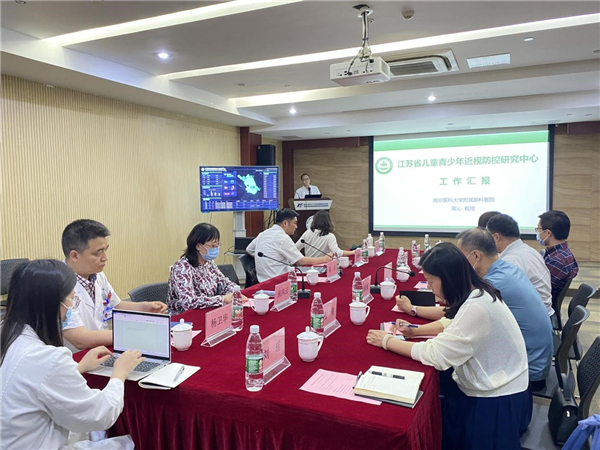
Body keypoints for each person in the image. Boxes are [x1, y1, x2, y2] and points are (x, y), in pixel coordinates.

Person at [367, 243, 531, 450]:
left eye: (431, 281)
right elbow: (452, 322)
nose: (429, 287)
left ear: (449, 279)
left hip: (497, 401)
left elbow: (435, 355)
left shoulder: (477, 307)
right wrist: (416, 331)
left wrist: (387, 341)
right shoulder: (477, 292)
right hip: (503, 385)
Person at [0, 259, 144, 450]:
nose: (72, 308)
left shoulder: (8, 333)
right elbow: (99, 415)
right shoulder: (47, 358)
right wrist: (120, 373)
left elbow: (32, 383)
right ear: (52, 305)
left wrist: (79, 367)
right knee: (133, 442)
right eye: (72, 301)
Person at [396, 228, 553, 386]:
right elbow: (457, 317)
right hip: (520, 362)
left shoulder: (491, 286)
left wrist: (389, 338)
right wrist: (416, 330)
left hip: (525, 368)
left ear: (476, 256)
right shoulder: (501, 270)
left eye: (461, 257)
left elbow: (438, 351)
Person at [61, 219, 167, 352]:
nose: (105, 258)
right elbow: (80, 339)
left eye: (106, 250)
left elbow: (116, 305)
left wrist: (144, 307)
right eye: (98, 252)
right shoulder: (57, 284)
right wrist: (132, 334)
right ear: (75, 256)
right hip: (77, 358)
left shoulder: (97, 274)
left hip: (104, 349)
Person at [168, 223, 248, 314]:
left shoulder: (209, 263)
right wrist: (222, 299)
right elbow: (188, 302)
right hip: (183, 317)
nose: (216, 249)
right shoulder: (182, 267)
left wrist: (234, 291)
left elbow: (224, 283)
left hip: (208, 312)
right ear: (198, 246)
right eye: (213, 246)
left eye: (218, 245)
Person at [487, 213, 554, 316]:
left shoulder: (511, 261)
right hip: (542, 311)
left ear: (496, 237)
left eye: (487, 237)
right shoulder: (528, 250)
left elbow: (494, 295)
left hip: (534, 316)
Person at [247, 209, 332, 282]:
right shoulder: (283, 238)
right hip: (278, 281)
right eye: (294, 223)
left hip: (262, 281)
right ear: (285, 223)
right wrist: (325, 259)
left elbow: (249, 249)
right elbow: (300, 261)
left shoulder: (263, 233)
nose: (296, 226)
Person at [537, 210, 579, 300]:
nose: (537, 233)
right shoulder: (563, 253)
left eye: (538, 229)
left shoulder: (556, 261)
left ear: (548, 233)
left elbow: (538, 290)